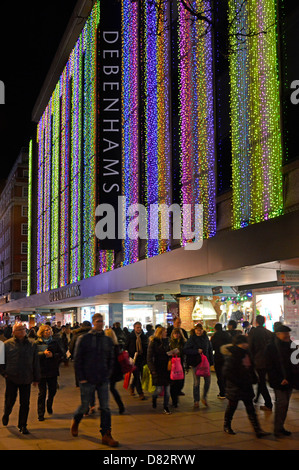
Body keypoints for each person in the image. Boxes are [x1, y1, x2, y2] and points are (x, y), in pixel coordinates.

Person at [71, 313, 119, 447]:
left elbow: (111, 358)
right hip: (87, 378)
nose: (100, 323)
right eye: (97, 321)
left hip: (103, 378)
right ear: (93, 323)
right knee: (85, 405)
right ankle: (76, 420)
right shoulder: (84, 339)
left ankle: (106, 434)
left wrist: (108, 373)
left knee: (105, 407)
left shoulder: (107, 340)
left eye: (101, 321)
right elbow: (78, 359)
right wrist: (81, 377)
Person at [222, 335, 269, 438]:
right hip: (235, 386)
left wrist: (253, 378)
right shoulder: (232, 355)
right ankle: (227, 425)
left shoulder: (247, 353)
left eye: (246, 343)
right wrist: (238, 381)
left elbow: (250, 367)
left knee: (250, 408)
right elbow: (226, 372)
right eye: (243, 343)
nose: (245, 345)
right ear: (237, 344)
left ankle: (257, 429)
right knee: (232, 407)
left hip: (246, 385)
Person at [0, 322, 40, 434]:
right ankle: (6, 413)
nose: (22, 331)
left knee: (25, 403)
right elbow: (1, 361)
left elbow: (35, 362)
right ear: (13, 332)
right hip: (12, 377)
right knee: (10, 400)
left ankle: (22, 425)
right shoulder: (6, 344)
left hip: (26, 377)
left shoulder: (32, 344)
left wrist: (37, 378)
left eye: (23, 329)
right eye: (19, 330)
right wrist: (4, 373)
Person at [265, 324, 294, 437]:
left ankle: (280, 427)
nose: (287, 336)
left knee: (285, 405)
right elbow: (270, 366)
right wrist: (280, 379)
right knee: (282, 403)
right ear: (278, 335)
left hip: (289, 379)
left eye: (288, 334)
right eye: (285, 334)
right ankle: (277, 429)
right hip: (279, 381)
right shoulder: (271, 347)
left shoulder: (291, 345)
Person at [35, 324, 65, 421]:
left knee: (53, 390)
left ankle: (49, 402)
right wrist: (43, 354)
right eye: (46, 330)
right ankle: (40, 413)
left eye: (49, 330)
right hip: (41, 371)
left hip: (52, 370)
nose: (48, 331)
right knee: (42, 393)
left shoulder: (55, 342)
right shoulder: (37, 343)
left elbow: (61, 354)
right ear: (42, 332)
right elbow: (34, 356)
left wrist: (53, 356)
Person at [184, 323, 214, 408]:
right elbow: (186, 350)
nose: (199, 331)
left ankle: (204, 397)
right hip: (195, 363)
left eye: (200, 330)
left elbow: (210, 350)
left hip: (205, 362)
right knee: (196, 383)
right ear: (194, 330)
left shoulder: (206, 339)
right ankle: (196, 400)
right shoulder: (192, 339)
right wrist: (196, 351)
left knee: (208, 381)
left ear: (202, 330)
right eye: (197, 330)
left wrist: (211, 362)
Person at [248, 314, 274, 411]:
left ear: (256, 322)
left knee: (262, 382)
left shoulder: (253, 332)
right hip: (268, 361)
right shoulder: (269, 333)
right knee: (262, 380)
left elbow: (250, 347)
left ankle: (268, 403)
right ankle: (257, 398)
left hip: (258, 361)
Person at [147, 326, 172, 414]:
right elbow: (149, 357)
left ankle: (166, 406)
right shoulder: (154, 342)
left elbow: (168, 352)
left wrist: (172, 353)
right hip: (158, 368)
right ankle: (154, 398)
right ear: (160, 333)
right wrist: (152, 369)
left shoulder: (167, 341)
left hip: (167, 368)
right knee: (158, 389)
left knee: (167, 390)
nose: (166, 333)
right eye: (165, 332)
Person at [125, 321, 148, 400]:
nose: (139, 329)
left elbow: (146, 348)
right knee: (137, 375)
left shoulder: (144, 337)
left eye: (140, 327)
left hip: (141, 358)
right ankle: (140, 393)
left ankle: (132, 386)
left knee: (139, 375)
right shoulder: (130, 336)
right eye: (137, 327)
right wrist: (129, 356)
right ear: (134, 328)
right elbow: (126, 347)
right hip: (133, 359)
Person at [105, 328, 125, 414]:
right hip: (116, 372)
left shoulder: (107, 347)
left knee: (104, 389)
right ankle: (121, 406)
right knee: (112, 389)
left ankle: (104, 406)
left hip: (108, 372)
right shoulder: (117, 347)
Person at [210, 323, 231, 399]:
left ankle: (222, 393)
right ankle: (227, 391)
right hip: (227, 357)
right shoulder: (227, 335)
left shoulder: (214, 336)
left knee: (219, 375)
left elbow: (212, 347)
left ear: (215, 329)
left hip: (218, 357)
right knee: (226, 375)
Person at [169, 327, 186, 407]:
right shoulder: (170, 342)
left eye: (178, 333)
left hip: (181, 363)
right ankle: (174, 401)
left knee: (180, 382)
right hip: (173, 364)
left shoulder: (183, 342)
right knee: (173, 383)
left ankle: (177, 393)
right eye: (175, 333)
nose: (176, 335)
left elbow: (186, 352)